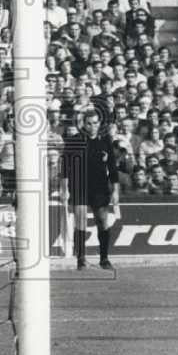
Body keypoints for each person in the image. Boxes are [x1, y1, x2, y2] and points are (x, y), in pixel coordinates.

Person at [60, 107, 120, 270]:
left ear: (99, 123)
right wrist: (64, 188)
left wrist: (115, 190)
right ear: (83, 124)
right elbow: (65, 166)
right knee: (80, 221)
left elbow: (112, 167)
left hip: (100, 187)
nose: (92, 126)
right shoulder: (74, 140)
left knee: (102, 221)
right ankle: (81, 259)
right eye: (88, 123)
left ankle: (104, 258)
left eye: (95, 123)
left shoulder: (105, 140)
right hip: (79, 185)